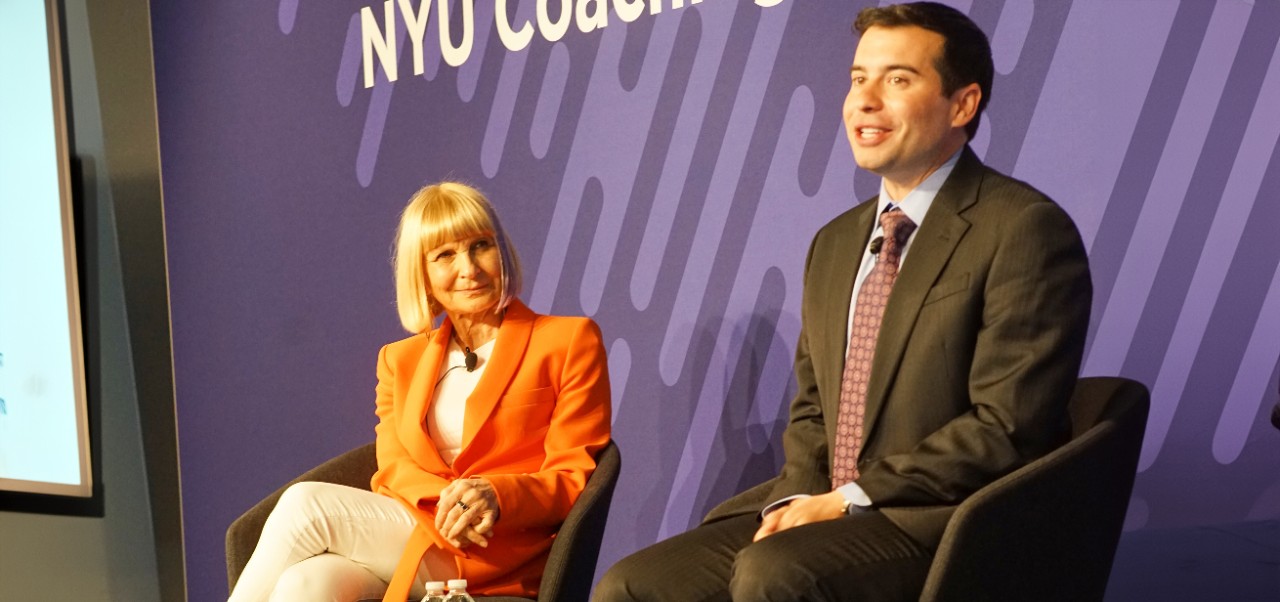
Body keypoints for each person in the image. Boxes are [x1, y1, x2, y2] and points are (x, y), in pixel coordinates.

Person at [595, 2, 1091, 600]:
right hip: (826, 500)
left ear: (962, 104)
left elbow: (1006, 426)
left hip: (939, 519)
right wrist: (801, 496)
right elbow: (812, 410)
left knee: (774, 573)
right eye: (858, 79)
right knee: (633, 584)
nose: (864, 101)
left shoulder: (1022, 228)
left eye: (898, 79)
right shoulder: (834, 243)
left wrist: (851, 498)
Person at [228, 181, 612, 601]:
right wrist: (450, 504)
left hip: (501, 547)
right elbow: (393, 466)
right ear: (423, 275)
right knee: (307, 583)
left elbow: (574, 476)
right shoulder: (399, 359)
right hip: (421, 531)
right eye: (445, 255)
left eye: (480, 245)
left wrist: (494, 496)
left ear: (501, 251)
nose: (469, 268)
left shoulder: (568, 340)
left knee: (306, 506)